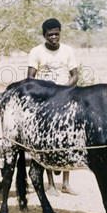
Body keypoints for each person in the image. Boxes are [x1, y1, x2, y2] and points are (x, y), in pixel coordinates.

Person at [22, 18, 79, 195]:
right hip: (45, 101)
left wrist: (64, 91)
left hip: (65, 98)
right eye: (50, 34)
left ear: (60, 32)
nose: (53, 37)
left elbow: (75, 76)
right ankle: (51, 185)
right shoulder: (36, 52)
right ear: (44, 35)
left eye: (56, 33)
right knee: (47, 141)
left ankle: (66, 184)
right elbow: (30, 78)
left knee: (69, 139)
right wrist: (46, 92)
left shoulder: (68, 50)